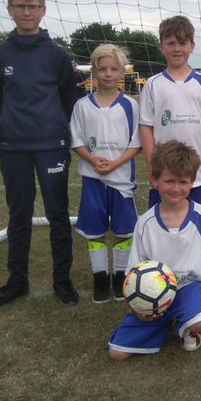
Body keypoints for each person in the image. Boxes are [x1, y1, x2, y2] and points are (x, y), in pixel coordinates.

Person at [0, 0, 79, 309]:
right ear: (10, 9)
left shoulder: (57, 55)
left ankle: (62, 280)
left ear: (43, 10)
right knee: (19, 215)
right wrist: (15, 121)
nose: (27, 11)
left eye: (33, 6)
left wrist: (52, 124)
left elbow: (69, 97)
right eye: (20, 6)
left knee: (57, 213)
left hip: (52, 145)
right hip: (13, 146)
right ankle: (17, 281)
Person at [108, 140, 201, 360]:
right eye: (169, 181)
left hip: (190, 288)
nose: (176, 188)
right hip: (152, 294)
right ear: (155, 180)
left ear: (192, 182)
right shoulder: (145, 223)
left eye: (183, 182)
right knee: (116, 353)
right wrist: (136, 306)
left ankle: (188, 326)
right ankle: (163, 324)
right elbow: (133, 271)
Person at [70, 44, 142, 303]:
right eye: (102, 69)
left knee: (123, 230)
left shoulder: (131, 105)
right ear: (94, 72)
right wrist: (91, 159)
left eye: (114, 69)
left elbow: (137, 142)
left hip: (121, 180)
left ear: (122, 71)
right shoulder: (82, 106)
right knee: (95, 230)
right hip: (92, 179)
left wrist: (114, 164)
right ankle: (100, 278)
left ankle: (120, 276)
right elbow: (75, 140)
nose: (108, 74)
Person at [139, 15, 201, 212]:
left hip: (197, 173)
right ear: (161, 47)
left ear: (192, 46)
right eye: (171, 43)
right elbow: (146, 127)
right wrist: (152, 167)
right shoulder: (152, 84)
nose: (177, 48)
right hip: (164, 172)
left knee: (200, 225)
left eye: (182, 43)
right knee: (162, 227)